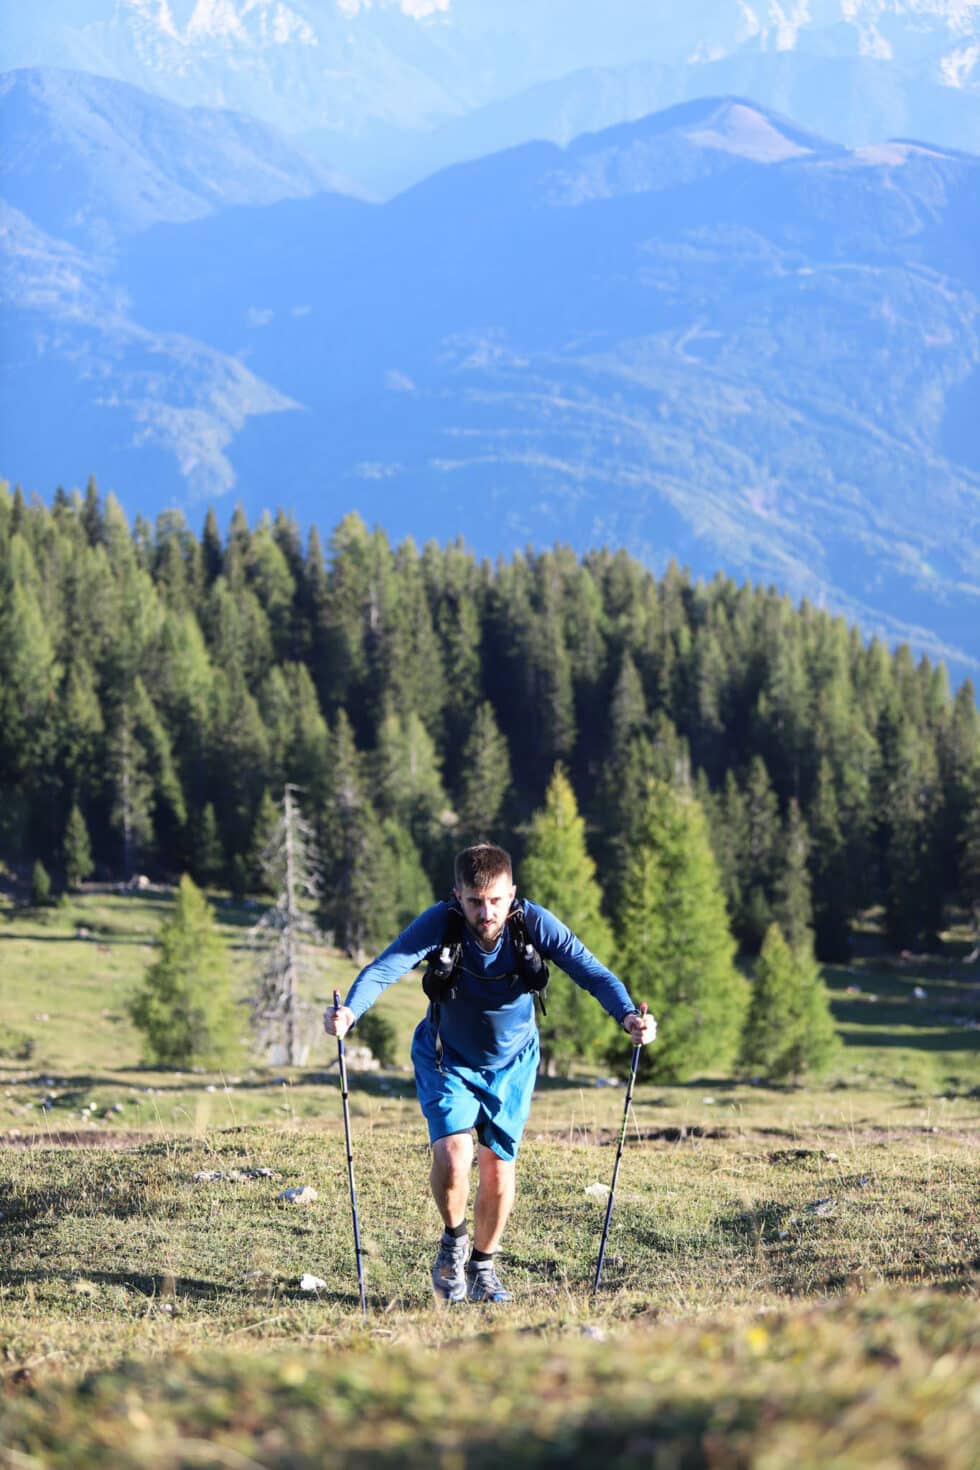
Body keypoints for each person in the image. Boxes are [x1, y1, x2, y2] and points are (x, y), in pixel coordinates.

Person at [324, 841, 657, 1304]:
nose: (487, 912)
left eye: (496, 900)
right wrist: (349, 1014)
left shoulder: (532, 923)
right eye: (476, 901)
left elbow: (591, 971)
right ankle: (452, 1241)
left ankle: (482, 1266)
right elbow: (387, 967)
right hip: (448, 1059)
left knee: (498, 1170)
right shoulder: (441, 923)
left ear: (512, 893)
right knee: (455, 1156)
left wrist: (628, 1016)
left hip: (513, 1065)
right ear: (458, 895)